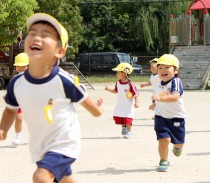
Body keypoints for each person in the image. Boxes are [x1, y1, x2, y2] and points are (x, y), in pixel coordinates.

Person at [0, 13, 104, 183]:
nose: (36, 37)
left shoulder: (63, 80)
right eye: (32, 33)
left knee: (41, 177)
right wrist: (3, 129)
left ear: (60, 51)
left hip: (64, 143)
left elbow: (84, 99)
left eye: (45, 35)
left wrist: (98, 110)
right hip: (40, 146)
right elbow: (10, 110)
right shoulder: (16, 83)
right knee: (66, 179)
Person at [152, 54, 186, 172]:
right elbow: (158, 95)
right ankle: (163, 160)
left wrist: (160, 99)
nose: (163, 70)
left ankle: (177, 147)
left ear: (176, 70)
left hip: (176, 118)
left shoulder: (176, 82)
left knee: (179, 143)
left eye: (167, 67)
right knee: (163, 140)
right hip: (161, 117)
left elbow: (175, 96)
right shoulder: (158, 82)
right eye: (160, 68)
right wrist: (154, 103)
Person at [105, 62, 139, 139]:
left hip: (128, 105)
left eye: (118, 72)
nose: (116, 74)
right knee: (119, 116)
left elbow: (136, 94)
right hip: (120, 104)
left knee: (128, 118)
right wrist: (108, 89)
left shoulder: (130, 84)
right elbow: (115, 91)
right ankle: (124, 128)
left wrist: (137, 102)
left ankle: (129, 131)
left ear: (124, 73)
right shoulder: (118, 83)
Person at [11, 52, 29, 146]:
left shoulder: (33, 77)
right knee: (19, 119)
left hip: (32, 103)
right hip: (20, 102)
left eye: (23, 66)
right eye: (18, 66)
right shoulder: (15, 79)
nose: (20, 68)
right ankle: (18, 137)